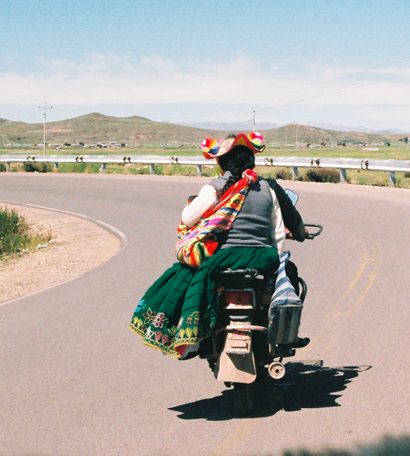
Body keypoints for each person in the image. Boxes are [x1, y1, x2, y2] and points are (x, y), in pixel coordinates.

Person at [129, 131, 303, 359]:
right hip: (263, 258)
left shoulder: (214, 188)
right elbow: (278, 233)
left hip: (224, 258)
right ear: (252, 161)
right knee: (290, 275)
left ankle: (194, 339)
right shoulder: (267, 189)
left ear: (221, 163)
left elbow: (188, 218)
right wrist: (275, 261)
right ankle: (283, 335)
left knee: (181, 274)